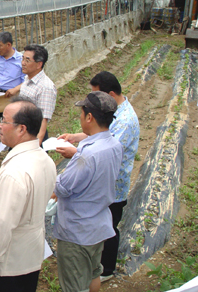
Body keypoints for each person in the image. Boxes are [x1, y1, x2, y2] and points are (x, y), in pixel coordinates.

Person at [56, 71, 140, 281]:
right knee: (102, 232)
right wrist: (76, 138)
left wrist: (76, 154)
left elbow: (95, 159)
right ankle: (99, 270)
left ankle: (108, 270)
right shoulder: (111, 116)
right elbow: (101, 135)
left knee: (110, 230)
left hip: (109, 184)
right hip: (103, 186)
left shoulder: (125, 121)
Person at [0, 98, 56, 292]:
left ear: (21, 129)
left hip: (7, 265)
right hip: (29, 256)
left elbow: (2, 222)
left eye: (4, 121)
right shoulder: (45, 160)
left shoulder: (15, 173)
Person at [53, 91, 123, 292]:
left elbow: (63, 187)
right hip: (98, 224)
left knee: (74, 285)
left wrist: (50, 175)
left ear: (89, 117)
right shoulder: (114, 145)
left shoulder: (87, 155)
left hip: (78, 231)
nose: (81, 118)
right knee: (94, 272)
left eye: (82, 114)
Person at [12, 44, 57, 144]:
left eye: (27, 60)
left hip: (33, 135)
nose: (23, 63)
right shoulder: (27, 78)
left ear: (39, 64)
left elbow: (43, 121)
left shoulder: (46, 87)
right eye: (22, 59)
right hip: (21, 130)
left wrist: (35, 147)